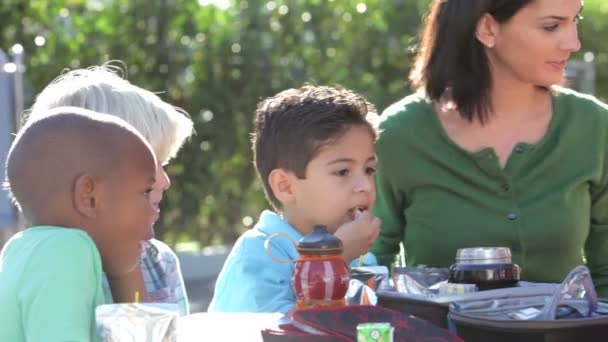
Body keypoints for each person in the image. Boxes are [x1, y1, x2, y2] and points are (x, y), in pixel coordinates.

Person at [371, 0, 608, 297]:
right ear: (487, 29)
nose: (573, 42)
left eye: (576, 20)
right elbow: (371, 266)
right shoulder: (398, 133)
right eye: (551, 26)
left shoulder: (594, 126)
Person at [26, 64, 194, 314]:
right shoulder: (46, 268)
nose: (164, 181)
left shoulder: (159, 262)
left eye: (165, 163)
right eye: (150, 163)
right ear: (88, 187)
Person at [208, 85, 381, 313]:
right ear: (286, 186)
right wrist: (333, 260)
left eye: (369, 170)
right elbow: (282, 333)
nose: (365, 186)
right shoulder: (260, 254)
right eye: (342, 172)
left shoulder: (363, 259)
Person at [0, 107, 158, 341]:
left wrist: (126, 270)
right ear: (89, 197)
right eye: (145, 192)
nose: (153, 211)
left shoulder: (21, 249)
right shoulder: (66, 251)